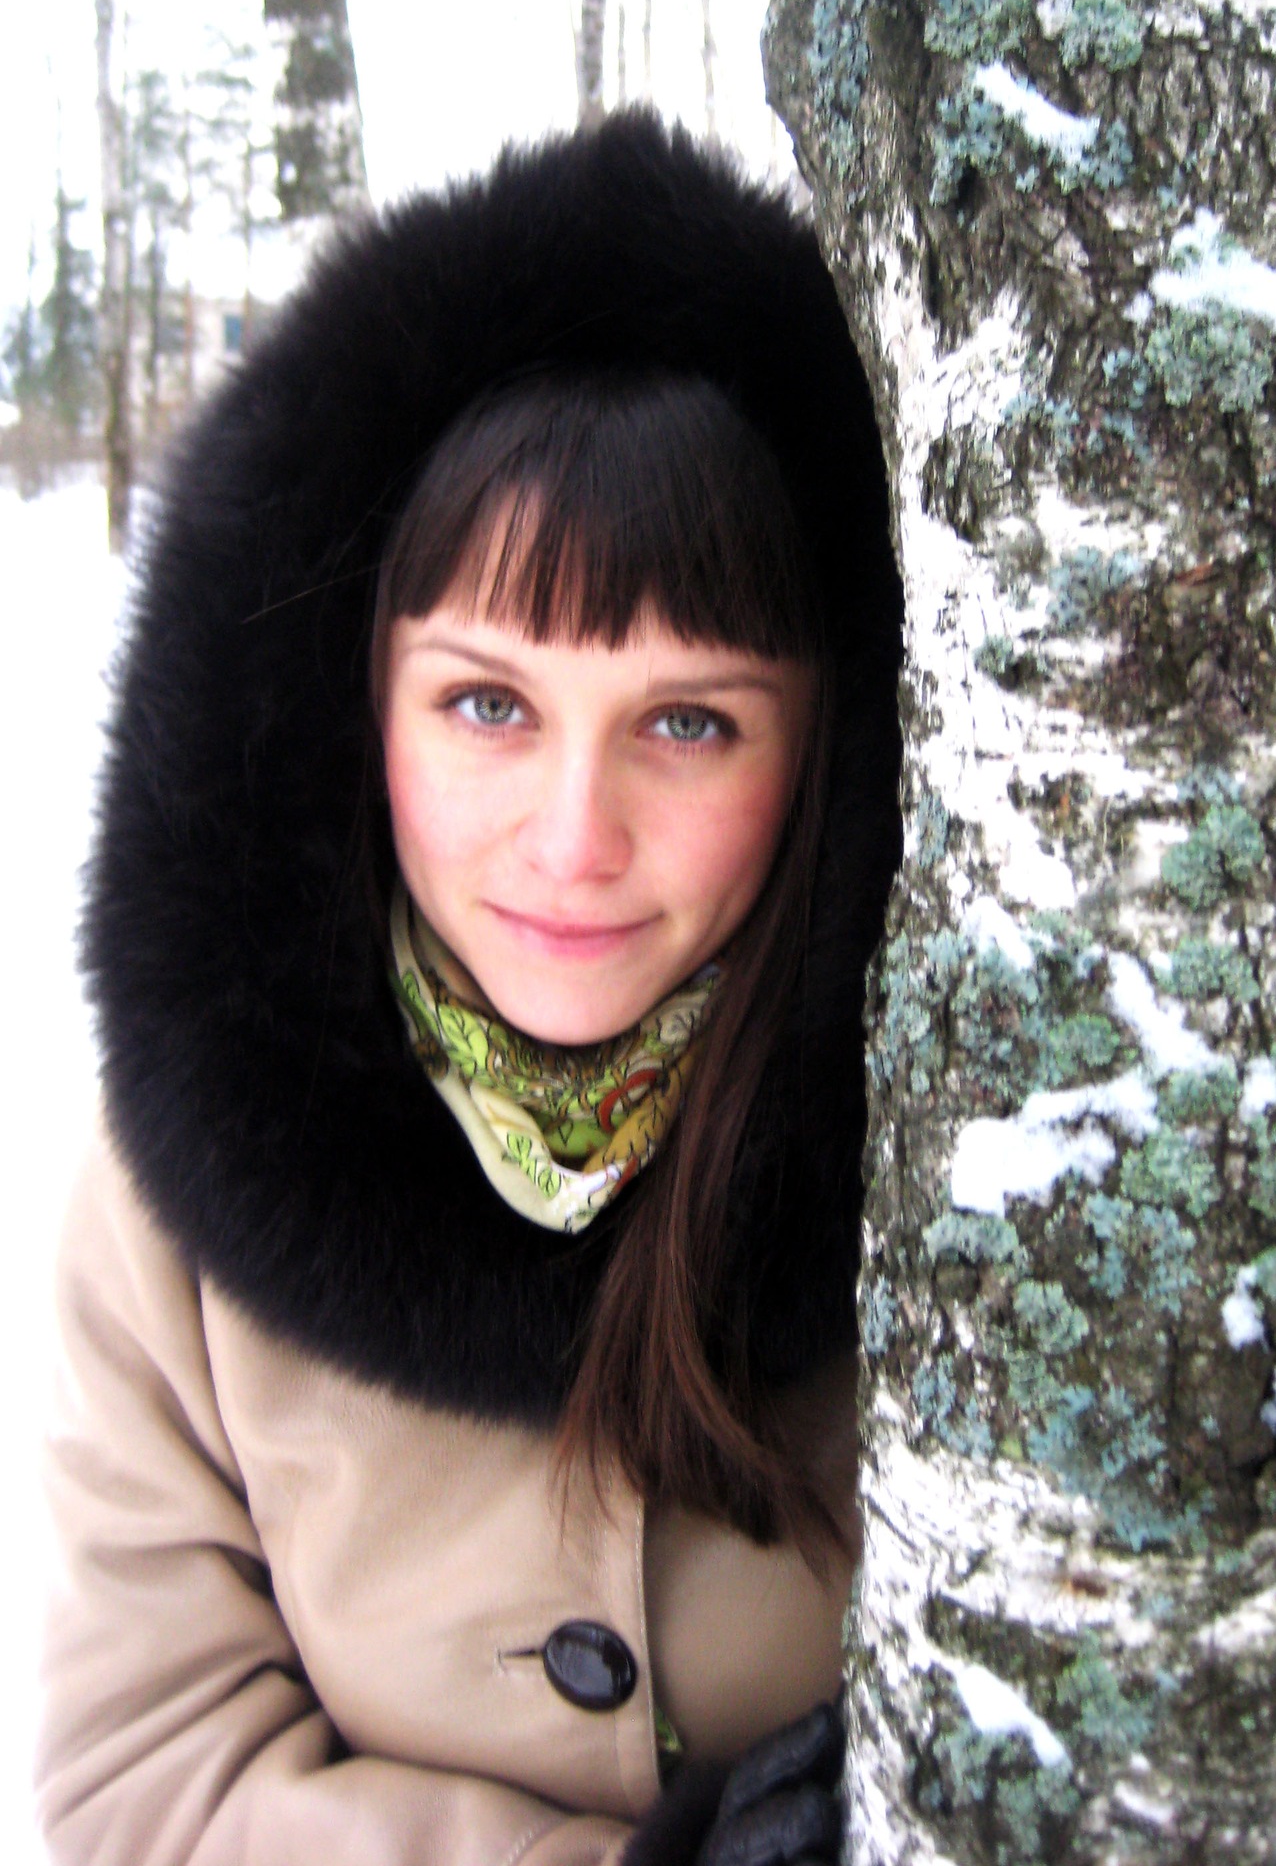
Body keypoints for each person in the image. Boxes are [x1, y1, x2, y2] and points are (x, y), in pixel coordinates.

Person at [35, 114, 902, 1865]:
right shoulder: (176, 1187)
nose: (573, 842)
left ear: (826, 750)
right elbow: (144, 1779)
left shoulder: (969, 1146)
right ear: (359, 708)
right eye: (489, 705)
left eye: (689, 721)